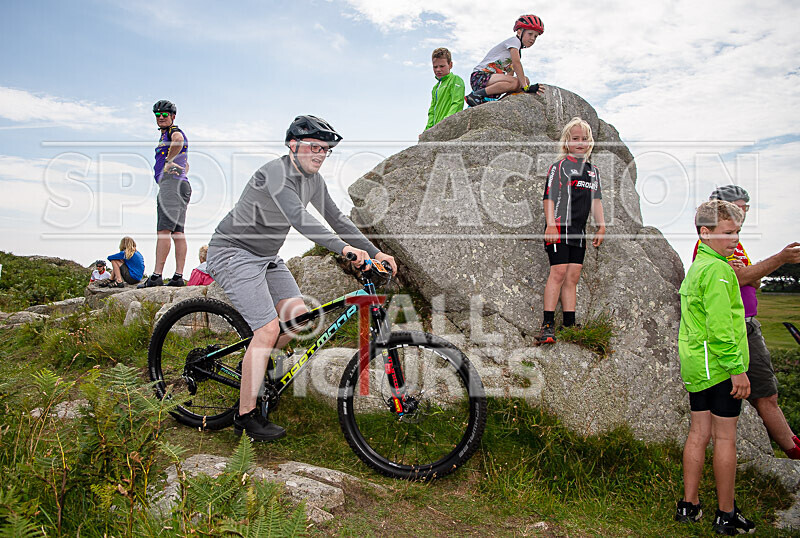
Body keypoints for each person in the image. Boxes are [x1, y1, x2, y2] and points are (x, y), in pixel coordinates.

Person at [206, 115, 397, 442]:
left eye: (326, 150)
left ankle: (250, 369)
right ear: (292, 145)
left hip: (267, 257)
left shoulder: (314, 181)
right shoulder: (276, 173)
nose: (320, 155)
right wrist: (344, 250)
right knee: (267, 329)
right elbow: (301, 220)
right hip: (233, 251)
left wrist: (374, 252)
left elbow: (337, 218)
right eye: (314, 148)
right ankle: (245, 417)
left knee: (296, 320)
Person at [692, 185, 800, 459]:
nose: (743, 216)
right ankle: (792, 450)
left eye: (746, 210)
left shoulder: (733, 244)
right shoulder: (711, 246)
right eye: (740, 209)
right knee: (765, 394)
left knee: (768, 393)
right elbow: (740, 278)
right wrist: (780, 258)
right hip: (737, 327)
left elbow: (755, 278)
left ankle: (790, 445)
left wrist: (752, 273)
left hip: (749, 323)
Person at [675, 200, 755, 535]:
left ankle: (689, 506)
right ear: (705, 233)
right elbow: (721, 328)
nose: (734, 239)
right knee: (725, 439)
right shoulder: (720, 272)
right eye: (727, 233)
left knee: (698, 434)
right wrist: (737, 368)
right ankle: (726, 514)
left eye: (737, 232)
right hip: (720, 367)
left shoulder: (698, 267)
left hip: (696, 365)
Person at [535, 117, 605, 344]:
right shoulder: (560, 167)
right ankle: (547, 324)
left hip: (578, 231)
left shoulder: (593, 171)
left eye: (585, 139)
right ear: (567, 142)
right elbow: (549, 197)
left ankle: (569, 323)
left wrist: (601, 225)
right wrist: (551, 224)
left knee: (573, 276)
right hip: (558, 226)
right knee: (558, 272)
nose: (580, 143)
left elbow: (596, 201)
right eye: (576, 139)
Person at [139, 99, 191, 288]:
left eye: (164, 115)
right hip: (181, 185)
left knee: (164, 231)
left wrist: (168, 161)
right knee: (178, 232)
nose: (160, 118)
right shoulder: (166, 134)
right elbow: (186, 164)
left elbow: (178, 141)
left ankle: (156, 275)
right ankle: (178, 276)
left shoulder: (172, 132)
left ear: (172, 116)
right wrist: (179, 167)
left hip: (171, 185)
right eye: (157, 115)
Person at [464, 14, 545, 107]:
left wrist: (522, 87)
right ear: (519, 32)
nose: (532, 38)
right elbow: (516, 63)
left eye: (535, 36)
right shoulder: (515, 41)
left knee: (520, 82)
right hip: (479, 77)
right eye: (530, 34)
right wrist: (526, 87)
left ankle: (499, 103)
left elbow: (510, 75)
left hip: (491, 81)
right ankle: (476, 95)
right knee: (521, 82)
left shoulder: (517, 51)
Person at [423, 48, 465, 131]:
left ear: (450, 65)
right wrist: (427, 130)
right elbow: (432, 111)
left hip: (449, 128)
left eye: (442, 66)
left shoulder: (455, 80)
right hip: (436, 130)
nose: (438, 69)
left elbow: (457, 103)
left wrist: (444, 123)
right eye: (435, 67)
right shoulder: (435, 88)